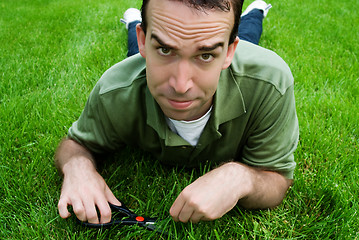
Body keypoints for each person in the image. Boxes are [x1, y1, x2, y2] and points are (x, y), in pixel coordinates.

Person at [56, 0, 299, 224]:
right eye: (164, 49)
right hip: (149, 56)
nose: (180, 86)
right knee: (135, 58)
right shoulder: (116, 89)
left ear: (228, 52)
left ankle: (255, 12)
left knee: (249, 34)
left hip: (231, 52)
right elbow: (74, 144)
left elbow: (277, 178)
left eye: (206, 54)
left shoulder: (269, 83)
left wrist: (242, 177)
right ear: (144, 40)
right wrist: (77, 167)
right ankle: (133, 23)